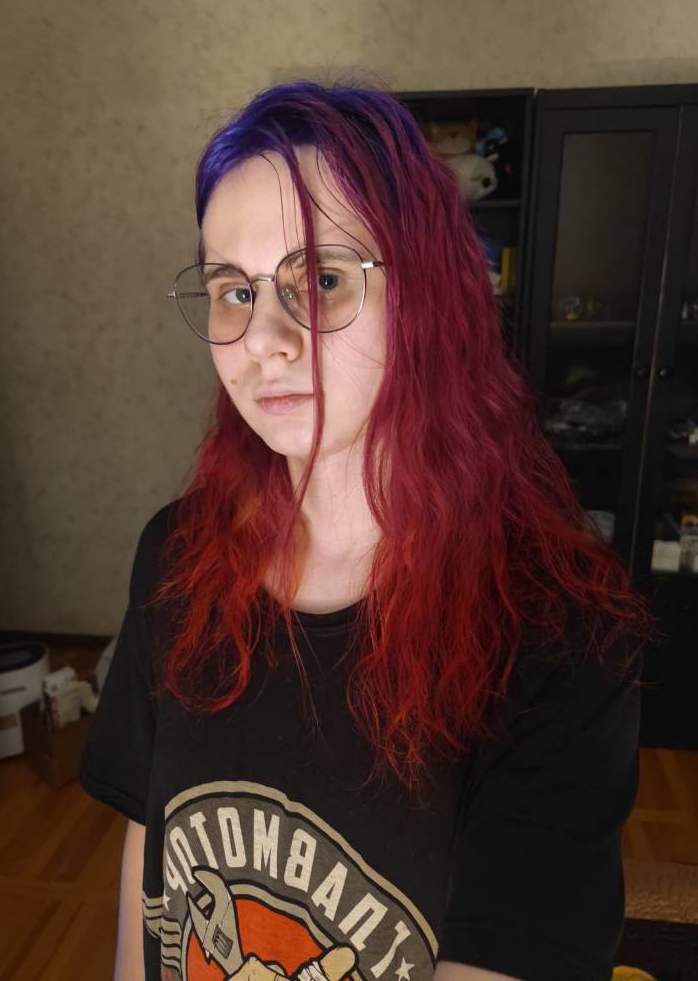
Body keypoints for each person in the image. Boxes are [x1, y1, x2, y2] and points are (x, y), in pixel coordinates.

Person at [80, 75, 656, 981]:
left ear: (426, 296)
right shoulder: (176, 556)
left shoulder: (559, 636)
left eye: (322, 279)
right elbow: (147, 850)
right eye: (233, 292)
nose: (262, 340)